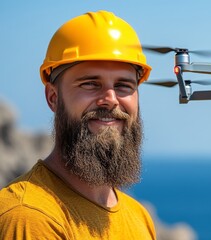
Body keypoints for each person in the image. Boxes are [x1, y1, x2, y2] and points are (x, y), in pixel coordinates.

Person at [0, 10, 156, 239]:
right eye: (91, 84)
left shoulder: (139, 217)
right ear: (53, 97)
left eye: (124, 86)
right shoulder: (30, 217)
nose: (111, 99)